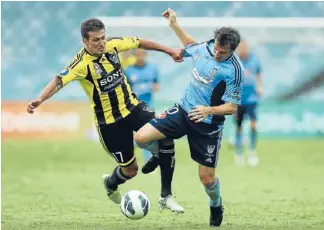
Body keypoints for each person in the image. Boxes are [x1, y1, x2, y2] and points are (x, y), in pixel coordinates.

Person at [26, 18, 184, 213]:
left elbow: (140, 42)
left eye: (103, 38)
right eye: (95, 40)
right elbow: (59, 80)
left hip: (133, 108)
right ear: (85, 41)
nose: (101, 43)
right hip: (110, 123)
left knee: (166, 134)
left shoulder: (112, 45)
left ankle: (165, 196)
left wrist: (169, 51)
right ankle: (111, 183)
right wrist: (39, 100)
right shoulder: (81, 65)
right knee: (130, 170)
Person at [134, 9, 244, 227]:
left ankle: (216, 204)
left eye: (221, 52)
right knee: (141, 138)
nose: (216, 54)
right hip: (183, 111)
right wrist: (174, 24)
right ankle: (159, 155)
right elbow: (191, 45)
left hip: (208, 126)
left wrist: (208, 111)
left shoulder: (234, 71)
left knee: (207, 179)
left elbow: (232, 107)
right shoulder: (207, 47)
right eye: (215, 49)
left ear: (231, 50)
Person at [125, 49, 160, 162]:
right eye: (137, 54)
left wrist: (152, 87)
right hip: (133, 107)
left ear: (145, 55)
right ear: (134, 56)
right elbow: (126, 90)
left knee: (148, 133)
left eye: (142, 54)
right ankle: (129, 159)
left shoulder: (153, 69)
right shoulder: (128, 71)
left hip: (148, 106)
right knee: (132, 133)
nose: (140, 57)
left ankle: (148, 160)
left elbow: (156, 86)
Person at [234, 40, 262, 167]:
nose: (243, 49)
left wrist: (260, 86)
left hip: (252, 99)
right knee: (239, 127)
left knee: (253, 125)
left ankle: (251, 151)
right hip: (238, 99)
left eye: (245, 46)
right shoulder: (234, 61)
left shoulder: (254, 60)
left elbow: (258, 75)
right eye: (241, 47)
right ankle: (239, 154)